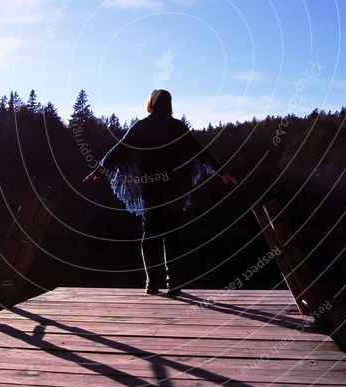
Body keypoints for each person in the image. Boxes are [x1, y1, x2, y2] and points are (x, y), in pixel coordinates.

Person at [84, 89, 236, 296]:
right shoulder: (177, 127)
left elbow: (117, 151)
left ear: (152, 104)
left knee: (150, 234)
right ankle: (173, 284)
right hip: (173, 190)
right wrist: (222, 172)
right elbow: (201, 151)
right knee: (172, 236)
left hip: (151, 188)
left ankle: (151, 283)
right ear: (169, 104)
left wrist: (97, 172)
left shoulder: (141, 126)